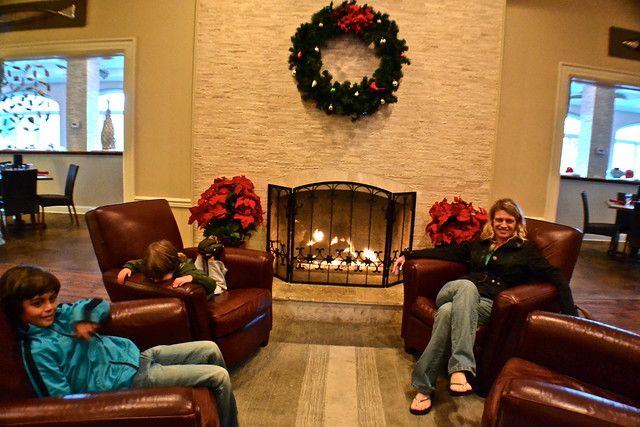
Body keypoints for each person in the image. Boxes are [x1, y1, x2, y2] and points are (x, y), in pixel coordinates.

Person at [392, 198, 578, 416]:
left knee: (447, 313)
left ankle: (423, 388)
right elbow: (446, 253)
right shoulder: (479, 244)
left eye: (509, 221)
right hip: (453, 291)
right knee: (466, 286)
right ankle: (461, 367)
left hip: (486, 306)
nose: (503, 225)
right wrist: (408, 255)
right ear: (492, 221)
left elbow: (556, 275)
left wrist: (570, 313)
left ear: (517, 223)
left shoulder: (525, 251)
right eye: (499, 220)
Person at [0, 265, 238, 427]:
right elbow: (58, 402)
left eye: (51, 299)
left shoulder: (62, 315)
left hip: (135, 356)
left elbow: (98, 304)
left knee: (209, 348)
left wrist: (83, 319)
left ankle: (219, 409)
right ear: (17, 309)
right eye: (37, 303)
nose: (49, 307)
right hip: (125, 381)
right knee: (217, 376)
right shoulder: (39, 350)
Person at [117, 239, 221, 299]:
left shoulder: (186, 269)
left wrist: (192, 277)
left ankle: (209, 259)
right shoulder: (152, 266)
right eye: (152, 277)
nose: (156, 280)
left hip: (210, 295)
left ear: (173, 267)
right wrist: (128, 267)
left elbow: (211, 284)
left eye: (160, 277)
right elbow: (137, 263)